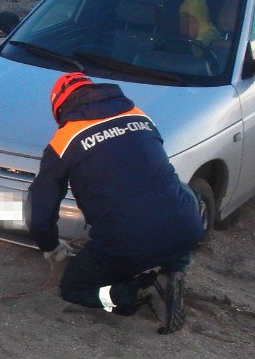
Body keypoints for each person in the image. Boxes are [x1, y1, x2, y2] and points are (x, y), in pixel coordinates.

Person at [27, 72, 205, 327]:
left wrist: (50, 245)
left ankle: (138, 292)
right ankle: (174, 265)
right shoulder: (139, 115)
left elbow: (41, 206)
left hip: (126, 242)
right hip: (187, 225)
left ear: (59, 107)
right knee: (177, 193)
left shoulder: (63, 141)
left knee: (74, 288)